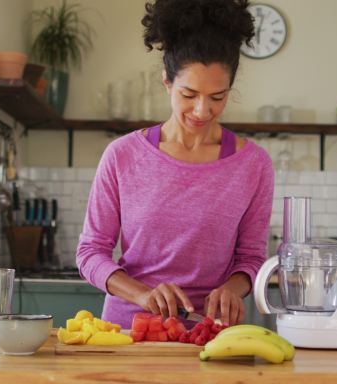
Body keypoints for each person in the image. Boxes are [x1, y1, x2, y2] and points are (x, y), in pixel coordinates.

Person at [76, 0, 273, 329]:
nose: (201, 110)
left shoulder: (253, 165)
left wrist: (231, 289)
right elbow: (90, 253)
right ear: (167, 82)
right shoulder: (122, 155)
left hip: (211, 332)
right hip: (132, 330)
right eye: (189, 94)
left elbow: (251, 259)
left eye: (217, 97)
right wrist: (142, 294)